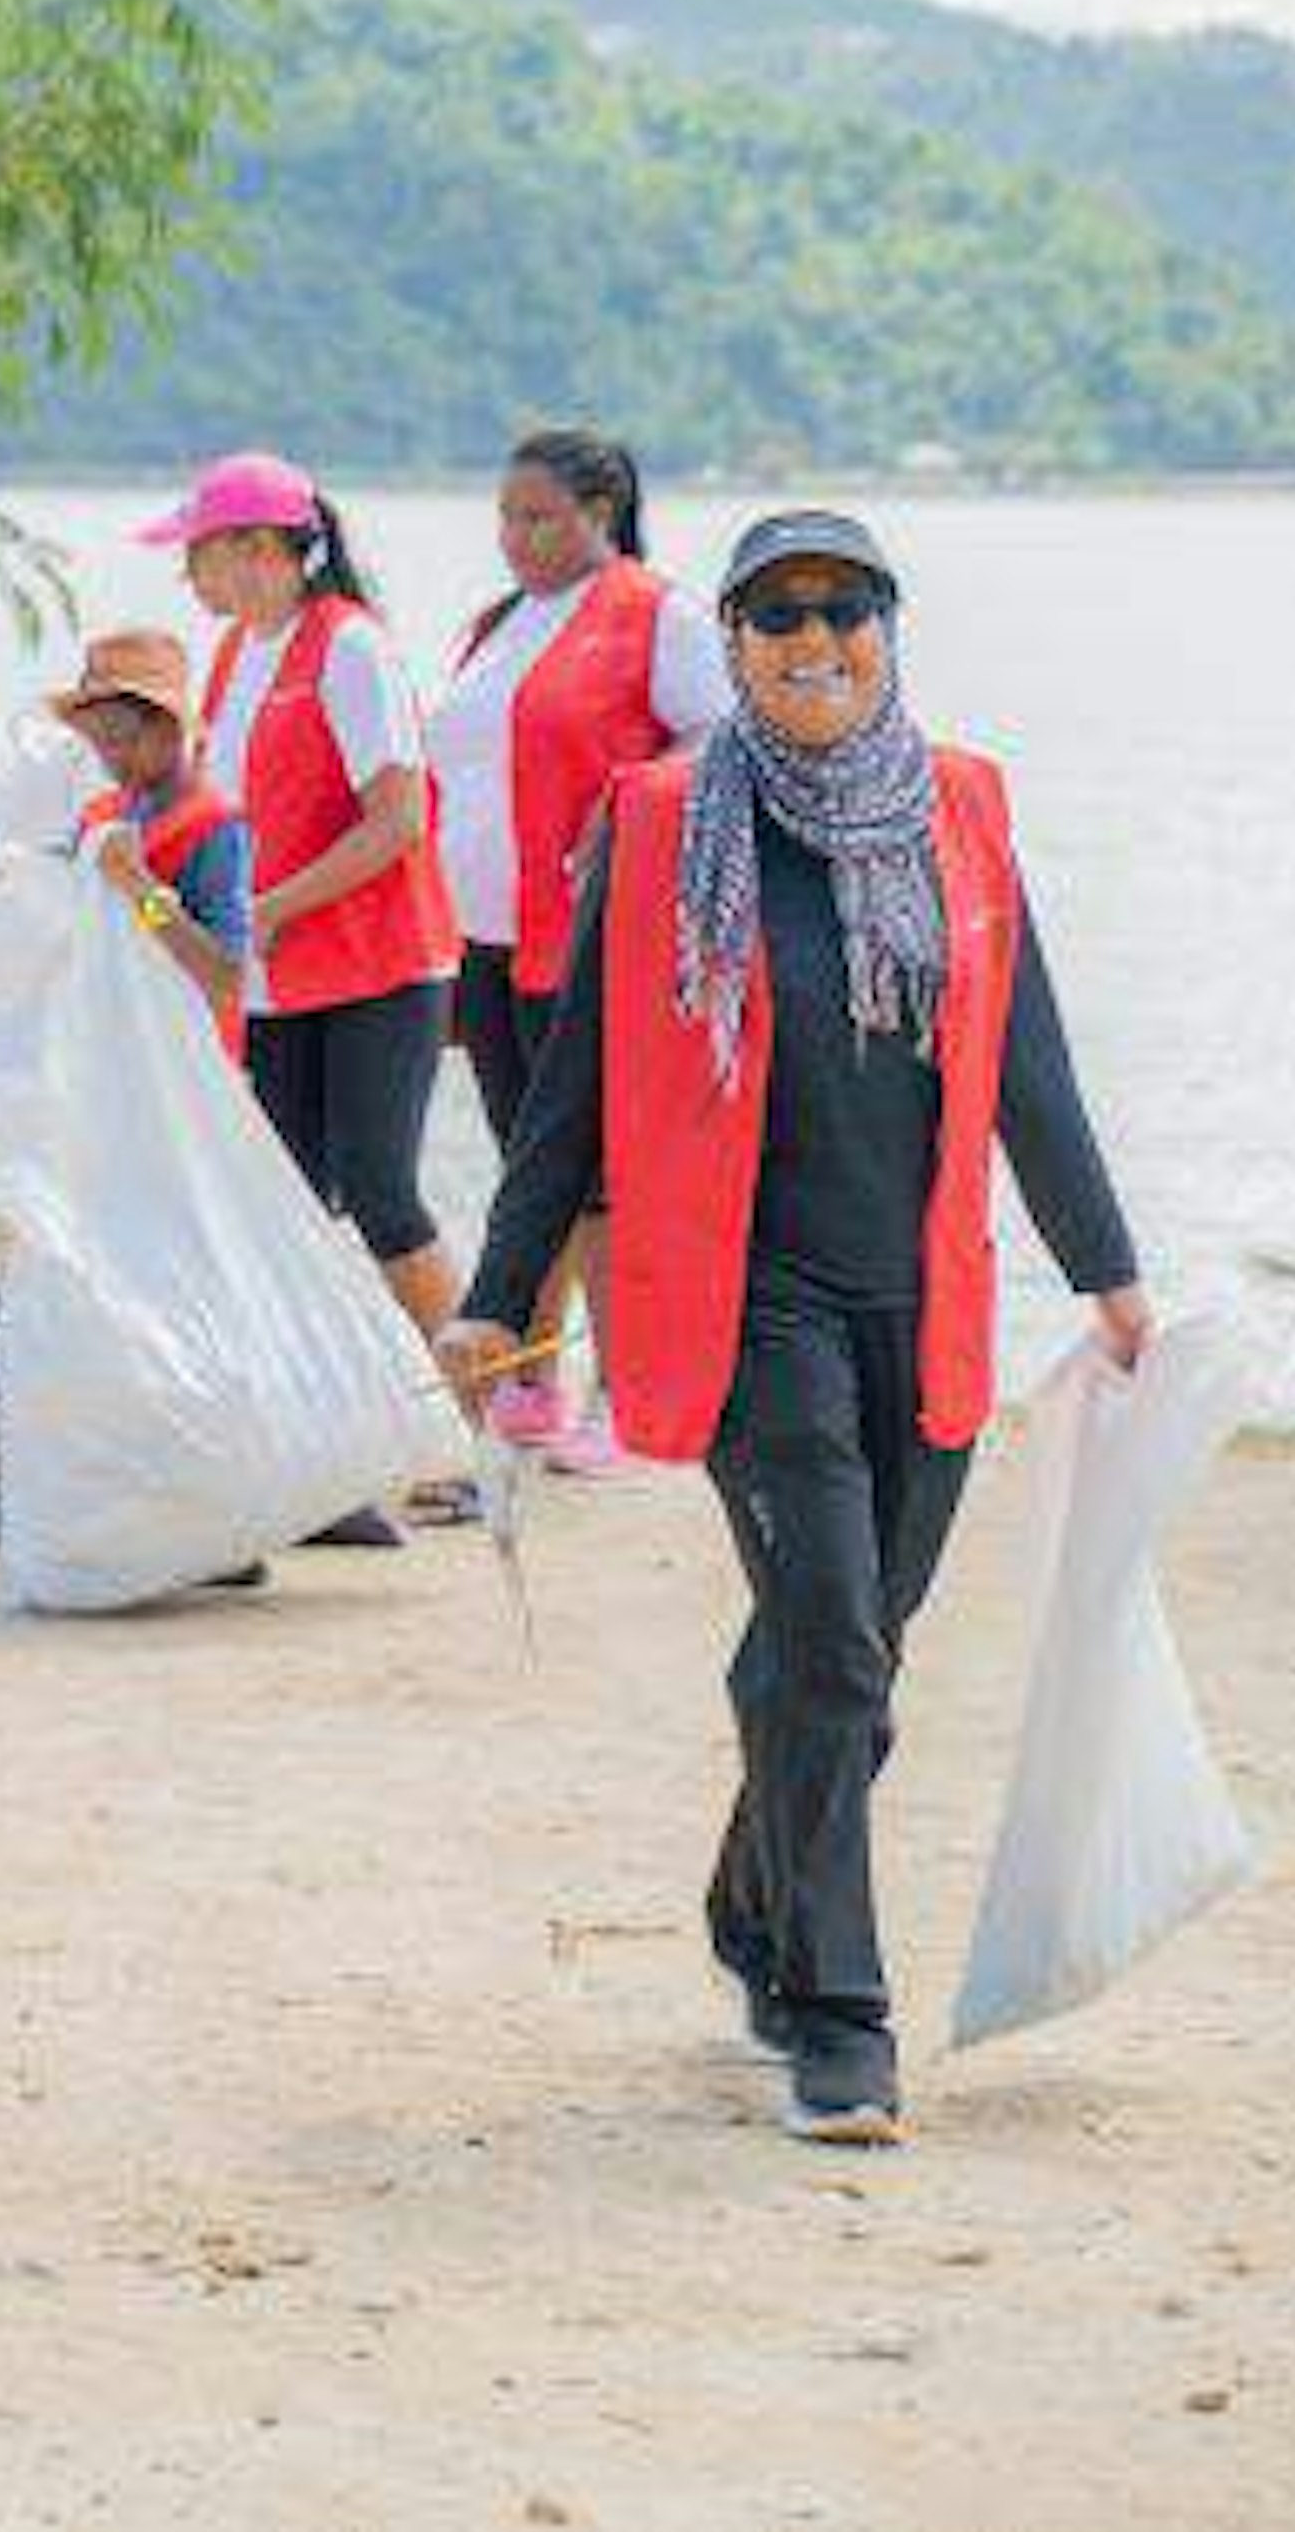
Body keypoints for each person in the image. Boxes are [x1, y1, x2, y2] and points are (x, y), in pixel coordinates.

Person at [441, 509, 1151, 2146]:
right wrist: (498, 1290)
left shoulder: (959, 806)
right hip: (745, 1298)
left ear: (886, 631)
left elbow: (1024, 1061)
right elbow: (577, 1087)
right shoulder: (663, 816)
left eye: (840, 609)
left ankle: (747, 1900)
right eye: (771, 615)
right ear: (734, 645)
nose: (808, 638)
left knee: (846, 1648)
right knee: (830, 1638)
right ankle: (838, 2016)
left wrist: (1104, 1271)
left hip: (923, 1291)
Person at [428, 428, 736, 1475]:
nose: (515, 537)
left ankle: (625, 1389)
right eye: (505, 517)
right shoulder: (495, 624)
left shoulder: (658, 614)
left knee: (600, 1178)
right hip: (485, 935)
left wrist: (626, 807)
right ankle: (530, 1381)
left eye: (538, 516)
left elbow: (719, 737)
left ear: (600, 513)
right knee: (528, 1166)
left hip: (590, 940)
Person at [146, 454, 464, 1370]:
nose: (189, 576)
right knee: (283, 1198)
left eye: (197, 555)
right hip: (278, 979)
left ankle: (488, 1420)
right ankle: (327, 1422)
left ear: (259, 550)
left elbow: (398, 820)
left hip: (381, 968)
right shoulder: (236, 652)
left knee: (382, 1194)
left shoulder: (349, 645)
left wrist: (272, 905)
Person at [48, 628, 251, 1037]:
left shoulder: (216, 830)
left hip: (180, 1069)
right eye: (98, 738)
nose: (110, 755)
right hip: (106, 1053)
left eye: (121, 736)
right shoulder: (98, 817)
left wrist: (141, 890)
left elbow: (227, 979)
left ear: (170, 727)